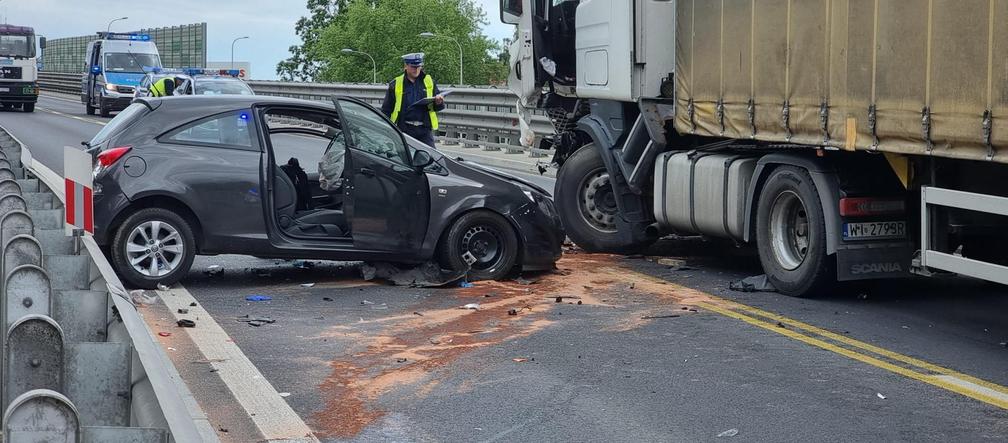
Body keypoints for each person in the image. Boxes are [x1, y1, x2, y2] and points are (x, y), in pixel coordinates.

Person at [380, 52, 445, 147]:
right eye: (413, 67)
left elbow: (437, 107)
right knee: (405, 160)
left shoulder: (428, 81)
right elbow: (386, 109)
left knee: (431, 158)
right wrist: (385, 130)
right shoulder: (396, 84)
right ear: (405, 66)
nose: (417, 69)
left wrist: (439, 102)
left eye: (419, 67)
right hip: (404, 129)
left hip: (424, 130)